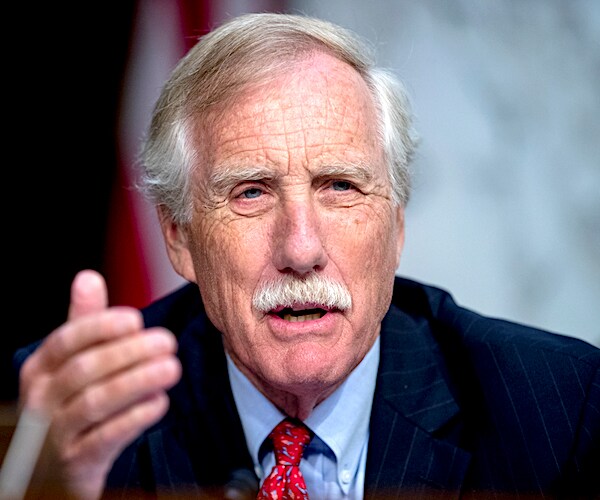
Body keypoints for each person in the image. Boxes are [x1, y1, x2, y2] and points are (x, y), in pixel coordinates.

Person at [7, 12, 599, 500]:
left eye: (341, 186)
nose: (301, 249)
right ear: (179, 237)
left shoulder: (557, 407)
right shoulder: (67, 420)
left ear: (395, 225)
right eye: (251, 192)